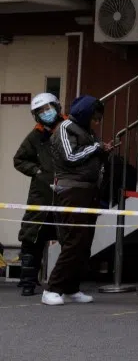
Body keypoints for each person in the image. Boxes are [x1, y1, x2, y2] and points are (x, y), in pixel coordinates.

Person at [43, 95, 111, 306]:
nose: (97, 123)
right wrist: (97, 148)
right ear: (85, 115)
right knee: (74, 241)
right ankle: (52, 288)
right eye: (95, 118)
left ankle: (71, 288)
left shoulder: (86, 131)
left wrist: (101, 152)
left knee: (84, 243)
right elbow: (70, 156)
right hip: (71, 190)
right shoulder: (66, 127)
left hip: (87, 191)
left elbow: (86, 157)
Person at [14, 93, 64, 296]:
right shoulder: (35, 136)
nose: (46, 113)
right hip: (41, 195)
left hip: (66, 193)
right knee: (31, 237)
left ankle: (64, 282)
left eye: (48, 108)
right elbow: (19, 159)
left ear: (57, 106)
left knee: (69, 237)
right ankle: (27, 282)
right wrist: (37, 172)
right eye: (40, 111)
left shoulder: (69, 128)